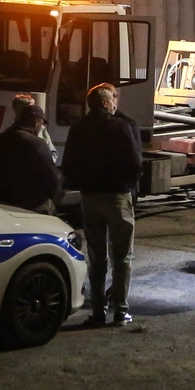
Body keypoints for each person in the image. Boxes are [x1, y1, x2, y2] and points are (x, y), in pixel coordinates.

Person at [60, 83, 143, 328]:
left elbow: (68, 165)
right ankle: (121, 311)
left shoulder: (78, 129)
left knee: (96, 257)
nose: (116, 103)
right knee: (122, 256)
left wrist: (83, 185)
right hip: (117, 197)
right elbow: (136, 162)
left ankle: (98, 311)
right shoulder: (121, 127)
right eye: (113, 99)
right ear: (106, 103)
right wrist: (128, 184)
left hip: (90, 198)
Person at [0, 104, 61, 215]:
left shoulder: (2, 139)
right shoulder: (37, 143)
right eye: (42, 123)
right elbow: (52, 177)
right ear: (36, 122)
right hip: (33, 204)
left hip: (5, 202)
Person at [11, 92, 56, 160]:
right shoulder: (11, 132)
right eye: (30, 108)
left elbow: (53, 153)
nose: (33, 110)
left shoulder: (40, 128)